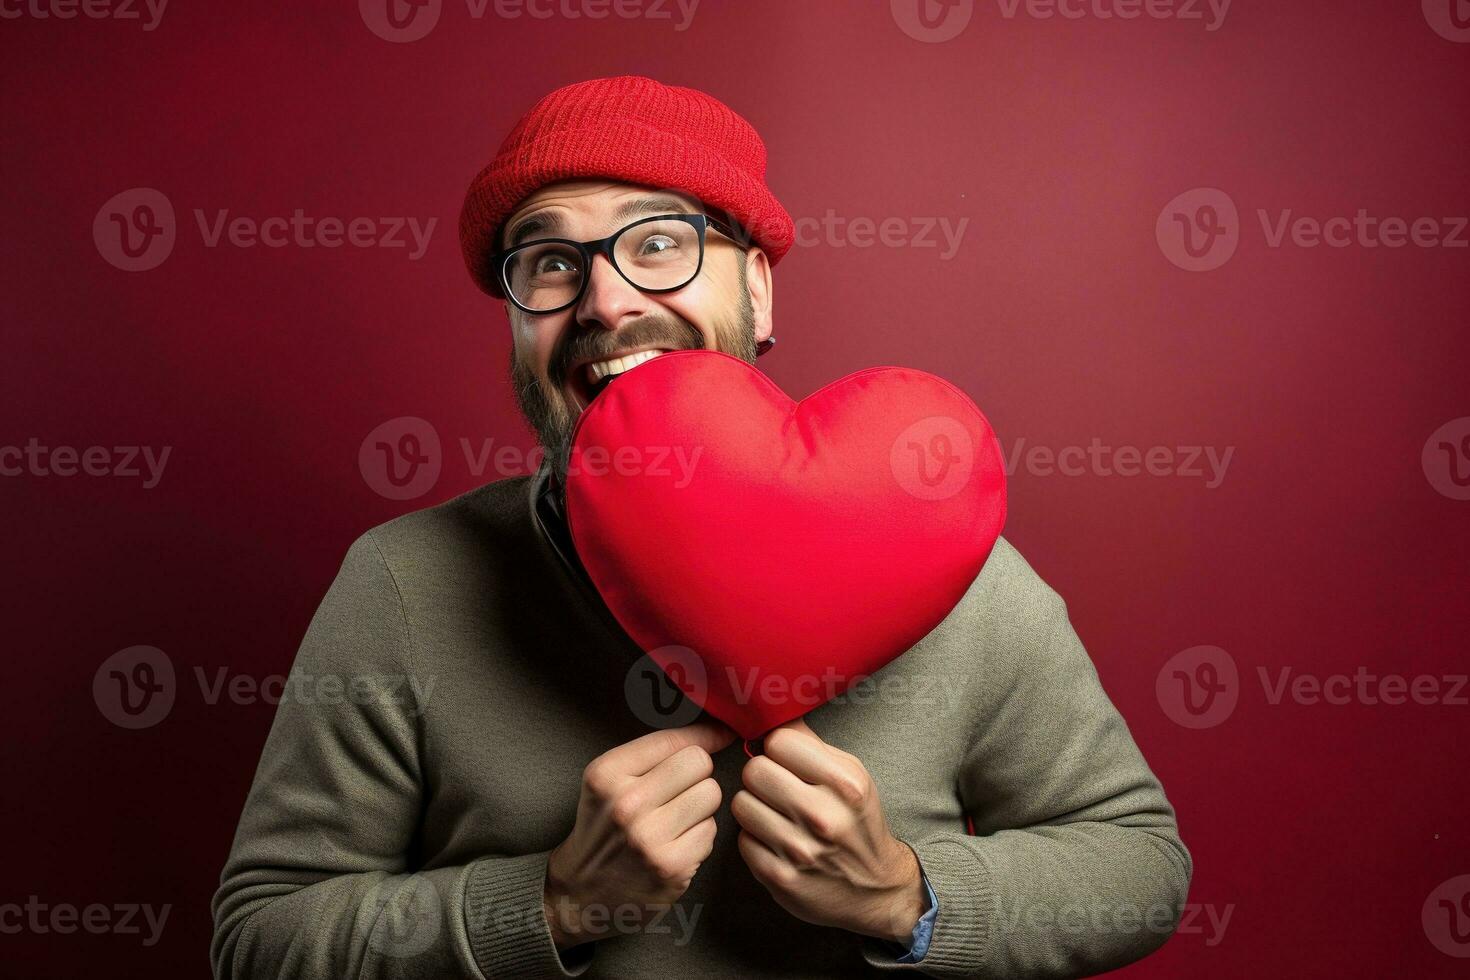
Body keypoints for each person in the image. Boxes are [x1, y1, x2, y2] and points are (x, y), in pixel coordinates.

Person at [211, 74, 1191, 979]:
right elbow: (258, 935)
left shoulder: (958, 567)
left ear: (757, 289)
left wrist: (903, 893)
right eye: (549, 261)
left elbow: (1139, 863)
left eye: (659, 243)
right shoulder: (405, 581)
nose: (605, 301)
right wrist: (554, 901)